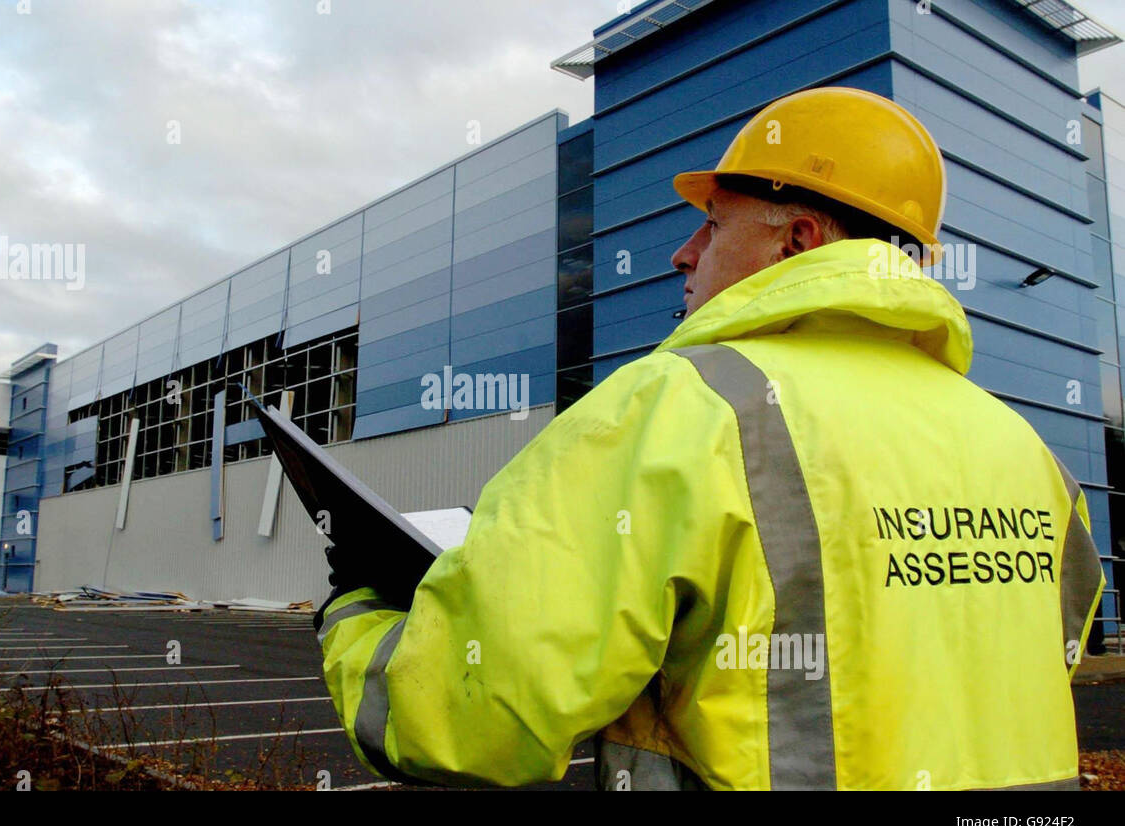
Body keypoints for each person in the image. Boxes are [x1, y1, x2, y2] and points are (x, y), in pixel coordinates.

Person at [317, 87, 1105, 790]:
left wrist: (356, 612)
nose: (681, 254)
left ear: (795, 239)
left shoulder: (676, 408)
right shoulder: (1027, 452)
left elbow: (471, 723)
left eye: (711, 223)